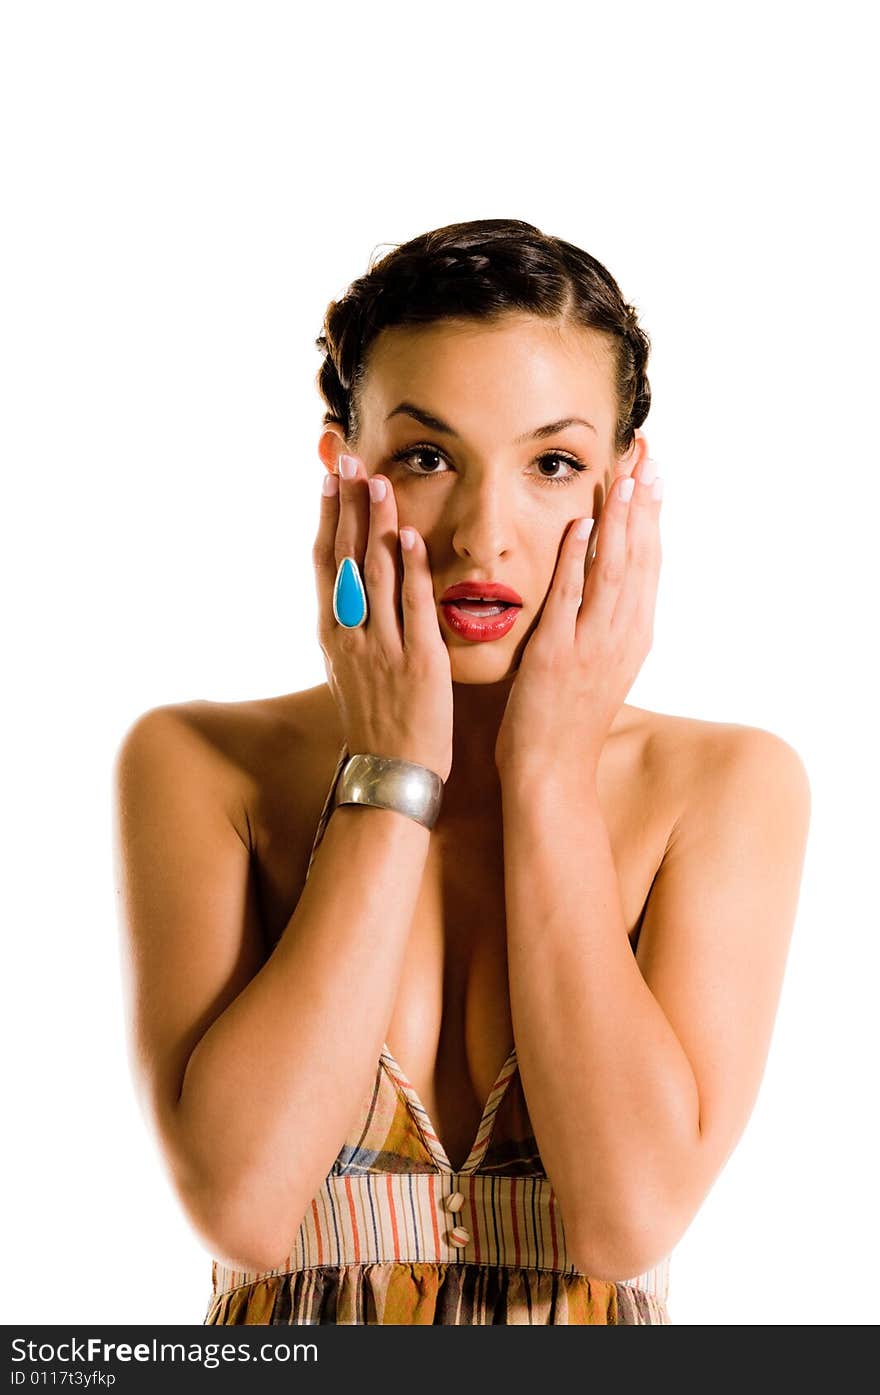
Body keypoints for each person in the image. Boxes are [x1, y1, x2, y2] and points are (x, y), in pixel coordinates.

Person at [112, 217, 811, 1325]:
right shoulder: (200, 765)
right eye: (426, 458)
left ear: (623, 484)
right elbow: (242, 1207)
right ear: (343, 462)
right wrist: (393, 760)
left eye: (553, 464)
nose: (485, 536)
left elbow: (626, 1222)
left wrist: (546, 771)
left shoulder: (722, 785)